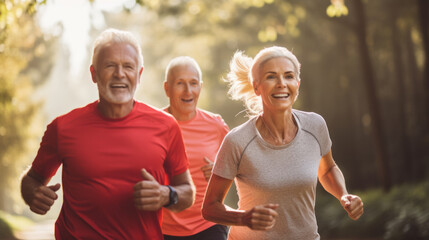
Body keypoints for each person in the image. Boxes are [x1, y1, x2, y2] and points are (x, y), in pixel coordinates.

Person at [20, 28, 195, 239]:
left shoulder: (166, 126)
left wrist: (168, 194)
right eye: (110, 65)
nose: (119, 74)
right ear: (94, 74)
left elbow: (187, 191)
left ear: (139, 75)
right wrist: (33, 195)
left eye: (128, 66)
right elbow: (32, 179)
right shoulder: (63, 127)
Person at [202, 46, 364, 240]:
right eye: (271, 77)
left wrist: (344, 195)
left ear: (298, 83)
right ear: (256, 86)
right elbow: (210, 207)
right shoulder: (238, 140)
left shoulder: (315, 126)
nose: (281, 84)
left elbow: (328, 170)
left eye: (288, 76)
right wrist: (244, 218)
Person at [162, 56, 230, 240]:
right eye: (180, 83)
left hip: (209, 224)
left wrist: (220, 171)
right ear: (167, 88)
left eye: (193, 83)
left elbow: (240, 168)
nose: (188, 91)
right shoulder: (153, 126)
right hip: (165, 229)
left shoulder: (216, 125)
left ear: (200, 87)